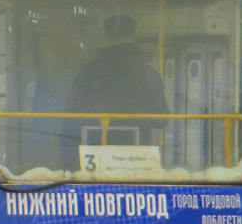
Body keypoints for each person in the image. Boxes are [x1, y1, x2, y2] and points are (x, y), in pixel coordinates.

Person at [65, 15, 169, 148]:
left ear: (106, 36)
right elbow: (162, 121)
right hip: (137, 152)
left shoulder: (88, 72)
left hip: (97, 149)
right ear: (134, 34)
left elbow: (72, 113)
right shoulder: (149, 74)